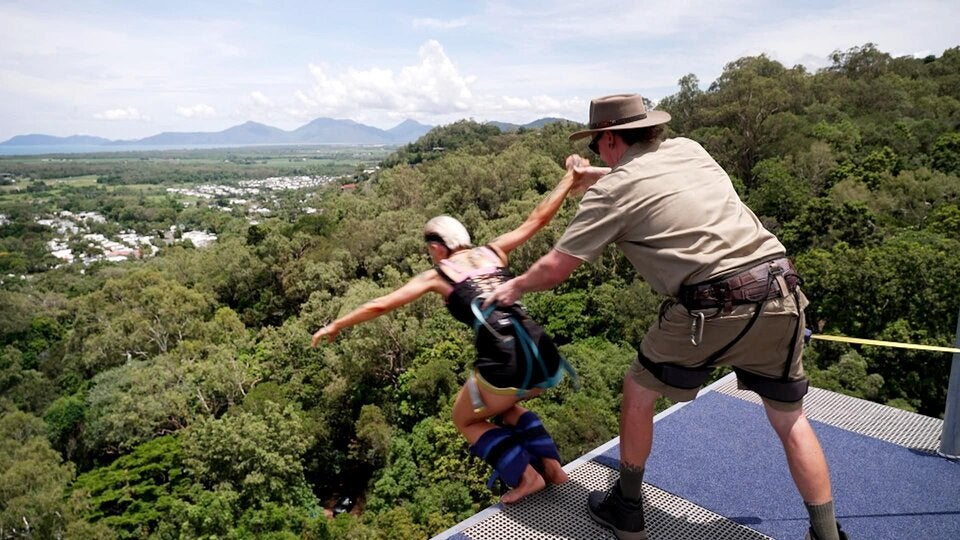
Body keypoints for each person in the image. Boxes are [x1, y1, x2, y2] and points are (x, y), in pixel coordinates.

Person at [483, 93, 846, 540]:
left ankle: (627, 508)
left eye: (598, 145)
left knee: (638, 390)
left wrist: (513, 286)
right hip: (781, 290)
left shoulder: (613, 192)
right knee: (789, 418)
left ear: (611, 139)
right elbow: (658, 183)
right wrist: (593, 176)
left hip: (711, 306)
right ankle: (827, 534)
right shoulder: (690, 149)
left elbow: (557, 268)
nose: (600, 154)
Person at [311, 157, 598, 504]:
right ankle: (553, 469)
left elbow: (381, 304)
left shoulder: (438, 275)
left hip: (504, 359)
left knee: (465, 419)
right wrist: (570, 178)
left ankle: (527, 477)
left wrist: (337, 324)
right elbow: (539, 218)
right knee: (505, 408)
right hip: (542, 351)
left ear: (436, 247)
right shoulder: (495, 250)